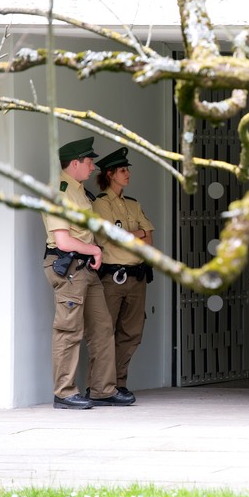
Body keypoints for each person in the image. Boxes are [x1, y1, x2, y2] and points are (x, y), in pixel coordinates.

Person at [42, 137, 136, 409]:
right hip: (69, 266)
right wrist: (94, 251)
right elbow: (63, 241)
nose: (94, 167)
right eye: (89, 161)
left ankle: (102, 389)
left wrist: (92, 251)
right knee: (69, 330)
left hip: (85, 268)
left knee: (103, 328)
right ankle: (64, 392)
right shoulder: (59, 192)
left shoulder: (79, 191)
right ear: (75, 163)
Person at [92, 147, 154, 399]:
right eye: (122, 170)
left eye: (127, 170)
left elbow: (149, 241)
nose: (128, 174)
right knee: (105, 333)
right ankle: (100, 386)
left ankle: (117, 384)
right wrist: (137, 234)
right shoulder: (100, 204)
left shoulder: (133, 203)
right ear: (110, 174)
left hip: (137, 275)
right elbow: (114, 239)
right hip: (112, 277)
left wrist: (136, 236)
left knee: (132, 333)